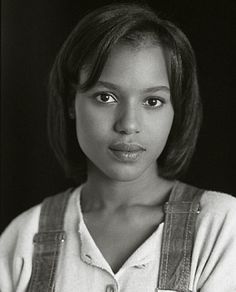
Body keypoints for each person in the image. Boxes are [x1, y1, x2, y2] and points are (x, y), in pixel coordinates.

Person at [0, 2, 236, 292]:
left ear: (177, 109)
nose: (128, 124)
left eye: (153, 102)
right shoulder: (24, 237)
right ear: (71, 101)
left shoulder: (220, 225)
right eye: (106, 97)